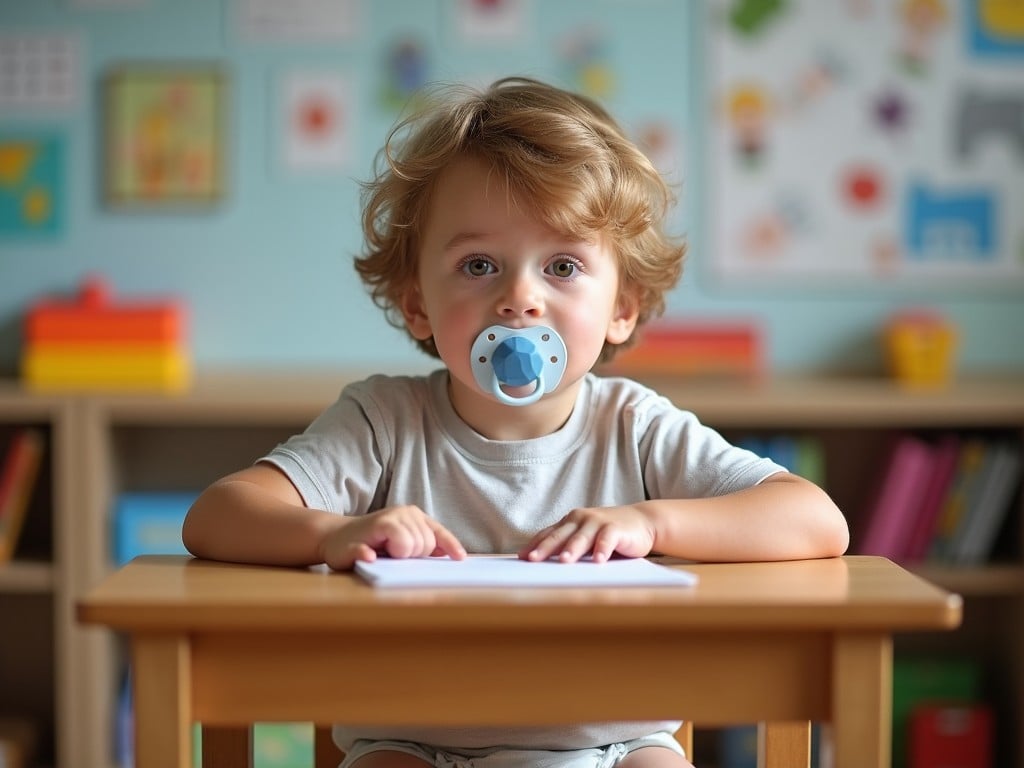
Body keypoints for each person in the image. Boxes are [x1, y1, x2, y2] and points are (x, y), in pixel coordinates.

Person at [183, 76, 849, 768]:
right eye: (479, 265)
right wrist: (337, 533)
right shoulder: (383, 422)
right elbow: (218, 515)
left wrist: (652, 524)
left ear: (623, 305)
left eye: (562, 265)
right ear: (418, 306)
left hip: (615, 745)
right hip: (412, 740)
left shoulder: (635, 427)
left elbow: (815, 519)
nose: (520, 299)